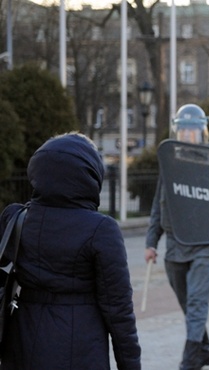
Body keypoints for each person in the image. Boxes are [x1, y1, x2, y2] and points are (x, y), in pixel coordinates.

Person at [0, 133, 141, 369]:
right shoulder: (101, 229)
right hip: (80, 346)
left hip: (21, 339)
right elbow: (118, 310)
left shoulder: (15, 217)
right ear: (90, 175)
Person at [145, 104, 209, 370]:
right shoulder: (171, 165)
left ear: (202, 132)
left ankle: (190, 360)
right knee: (185, 300)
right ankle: (203, 349)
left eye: (193, 131)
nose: (188, 135)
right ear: (177, 132)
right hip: (176, 241)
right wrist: (151, 241)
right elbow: (160, 203)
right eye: (183, 130)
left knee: (196, 301)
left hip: (205, 242)